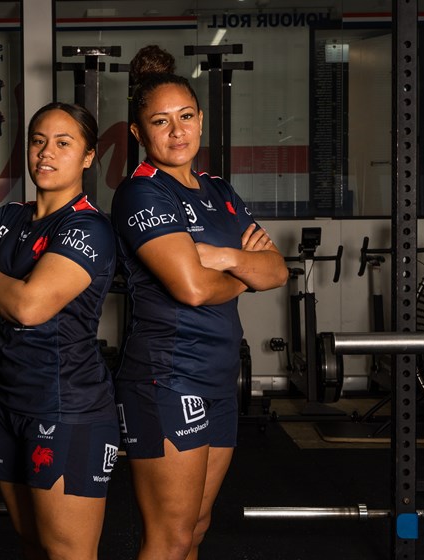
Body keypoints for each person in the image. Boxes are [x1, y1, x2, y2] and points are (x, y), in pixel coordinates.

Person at [111, 46, 288, 560]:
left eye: (185, 117)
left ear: (201, 119)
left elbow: (277, 270)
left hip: (218, 377)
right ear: (138, 132)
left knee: (196, 529)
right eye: (160, 122)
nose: (177, 131)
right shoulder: (142, 193)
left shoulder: (219, 190)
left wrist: (224, 257)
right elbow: (191, 288)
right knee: (169, 537)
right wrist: (244, 273)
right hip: (167, 379)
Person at [0, 102, 119, 560]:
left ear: (88, 156)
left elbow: (28, 307)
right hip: (11, 401)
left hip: (67, 407)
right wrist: (11, 290)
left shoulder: (88, 226)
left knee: (68, 553)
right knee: (32, 543)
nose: (46, 152)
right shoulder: (9, 217)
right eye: (38, 141)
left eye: (63, 143)